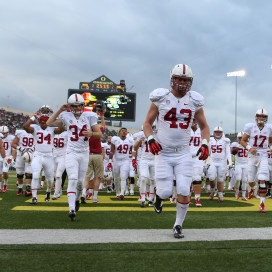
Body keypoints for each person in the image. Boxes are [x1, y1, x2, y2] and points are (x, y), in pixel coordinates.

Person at [143, 63, 210, 239]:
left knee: (184, 189)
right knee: (165, 192)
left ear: (191, 81)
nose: (182, 83)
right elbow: (147, 123)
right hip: (163, 153)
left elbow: (204, 126)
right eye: (179, 79)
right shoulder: (160, 98)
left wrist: (205, 143)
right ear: (172, 79)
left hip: (183, 153)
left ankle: (178, 225)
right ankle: (159, 196)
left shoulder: (194, 101)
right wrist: (150, 138)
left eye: (186, 79)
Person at [46, 93, 102, 221]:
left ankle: (76, 199)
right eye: (74, 106)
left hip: (84, 152)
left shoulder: (90, 116)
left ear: (83, 105)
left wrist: (92, 133)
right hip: (71, 151)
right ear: (70, 106)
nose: (77, 108)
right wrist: (60, 109)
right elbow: (49, 123)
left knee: (80, 182)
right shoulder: (66, 116)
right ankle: (71, 209)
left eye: (79, 106)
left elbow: (99, 134)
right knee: (72, 178)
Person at [23, 105, 64, 204]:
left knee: (50, 179)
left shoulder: (52, 128)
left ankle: (48, 192)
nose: (43, 124)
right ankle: (34, 197)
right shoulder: (35, 128)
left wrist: (55, 116)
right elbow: (25, 126)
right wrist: (34, 116)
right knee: (36, 175)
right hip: (38, 154)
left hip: (49, 156)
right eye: (41, 122)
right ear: (39, 122)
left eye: (45, 122)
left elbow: (62, 128)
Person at [240, 108, 272, 213]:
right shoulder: (250, 127)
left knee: (263, 178)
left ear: (266, 118)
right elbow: (243, 141)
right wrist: (250, 148)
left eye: (264, 116)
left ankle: (262, 205)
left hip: (263, 155)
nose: (262, 118)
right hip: (252, 155)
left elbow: (270, 141)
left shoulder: (269, 128)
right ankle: (253, 189)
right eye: (260, 116)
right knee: (250, 180)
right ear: (256, 117)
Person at [82, 109, 106, 204]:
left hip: (88, 155)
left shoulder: (85, 132)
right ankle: (95, 198)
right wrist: (102, 115)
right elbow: (103, 125)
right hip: (97, 155)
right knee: (97, 177)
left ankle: (84, 193)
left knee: (87, 176)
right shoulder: (97, 131)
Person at [107, 128, 134, 200]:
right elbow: (112, 151)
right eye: (123, 131)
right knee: (116, 178)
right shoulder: (115, 139)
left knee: (123, 176)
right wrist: (110, 161)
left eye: (125, 131)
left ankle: (122, 193)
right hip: (116, 160)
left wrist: (132, 159)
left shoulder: (130, 140)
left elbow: (131, 151)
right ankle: (117, 192)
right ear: (119, 133)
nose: (124, 132)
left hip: (125, 160)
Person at [208, 126, 231, 202]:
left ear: (222, 133)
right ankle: (213, 190)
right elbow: (208, 152)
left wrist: (230, 162)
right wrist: (205, 161)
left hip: (222, 161)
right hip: (212, 161)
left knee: (221, 179)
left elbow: (228, 152)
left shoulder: (225, 141)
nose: (218, 133)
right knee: (211, 178)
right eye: (216, 132)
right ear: (213, 132)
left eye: (219, 132)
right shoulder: (210, 140)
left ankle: (220, 195)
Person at [11, 128, 35, 196]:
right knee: (20, 172)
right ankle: (20, 188)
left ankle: (28, 189)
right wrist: (20, 148)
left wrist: (34, 148)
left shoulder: (35, 132)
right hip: (20, 154)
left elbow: (39, 144)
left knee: (29, 172)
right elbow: (13, 144)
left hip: (30, 154)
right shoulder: (20, 133)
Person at [189, 119, 205, 207]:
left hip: (197, 157)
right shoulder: (185, 129)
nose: (192, 121)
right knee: (186, 178)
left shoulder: (201, 130)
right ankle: (186, 197)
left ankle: (197, 199)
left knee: (197, 178)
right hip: (186, 157)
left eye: (194, 119)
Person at [231, 132, 248, 200]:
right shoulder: (236, 145)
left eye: (242, 137)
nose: (241, 139)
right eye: (240, 138)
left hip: (246, 164)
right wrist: (238, 146)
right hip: (238, 164)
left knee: (244, 180)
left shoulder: (248, 144)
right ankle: (237, 192)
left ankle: (243, 195)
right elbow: (233, 153)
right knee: (238, 179)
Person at [0, 126, 15, 192]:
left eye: (5, 133)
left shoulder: (11, 137)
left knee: (5, 171)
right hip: (0, 156)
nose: (3, 134)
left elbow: (14, 148)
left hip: (7, 156)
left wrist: (12, 156)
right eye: (2, 133)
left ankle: (5, 184)